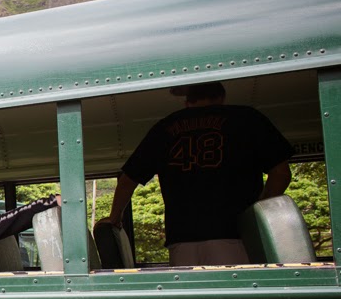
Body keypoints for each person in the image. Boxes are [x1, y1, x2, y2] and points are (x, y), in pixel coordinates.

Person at [100, 81, 292, 266]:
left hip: (181, 241)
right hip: (235, 237)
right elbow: (281, 173)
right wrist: (256, 219)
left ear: (187, 103)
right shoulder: (248, 118)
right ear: (222, 97)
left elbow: (127, 180)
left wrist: (115, 218)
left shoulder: (165, 127)